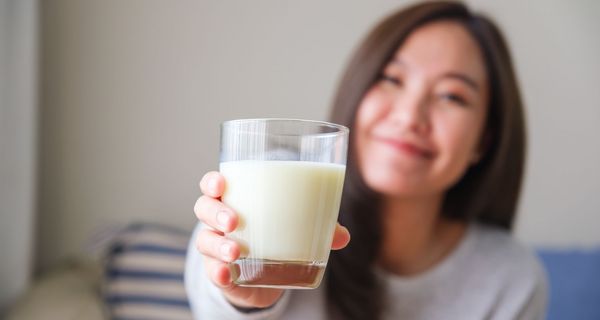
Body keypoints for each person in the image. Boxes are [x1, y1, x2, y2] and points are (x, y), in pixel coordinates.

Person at [185, 2, 548, 319]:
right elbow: (213, 300)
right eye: (392, 78)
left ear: (482, 143)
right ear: (357, 91)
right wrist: (245, 302)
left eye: (451, 96)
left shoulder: (509, 278)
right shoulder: (268, 183)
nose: (409, 116)